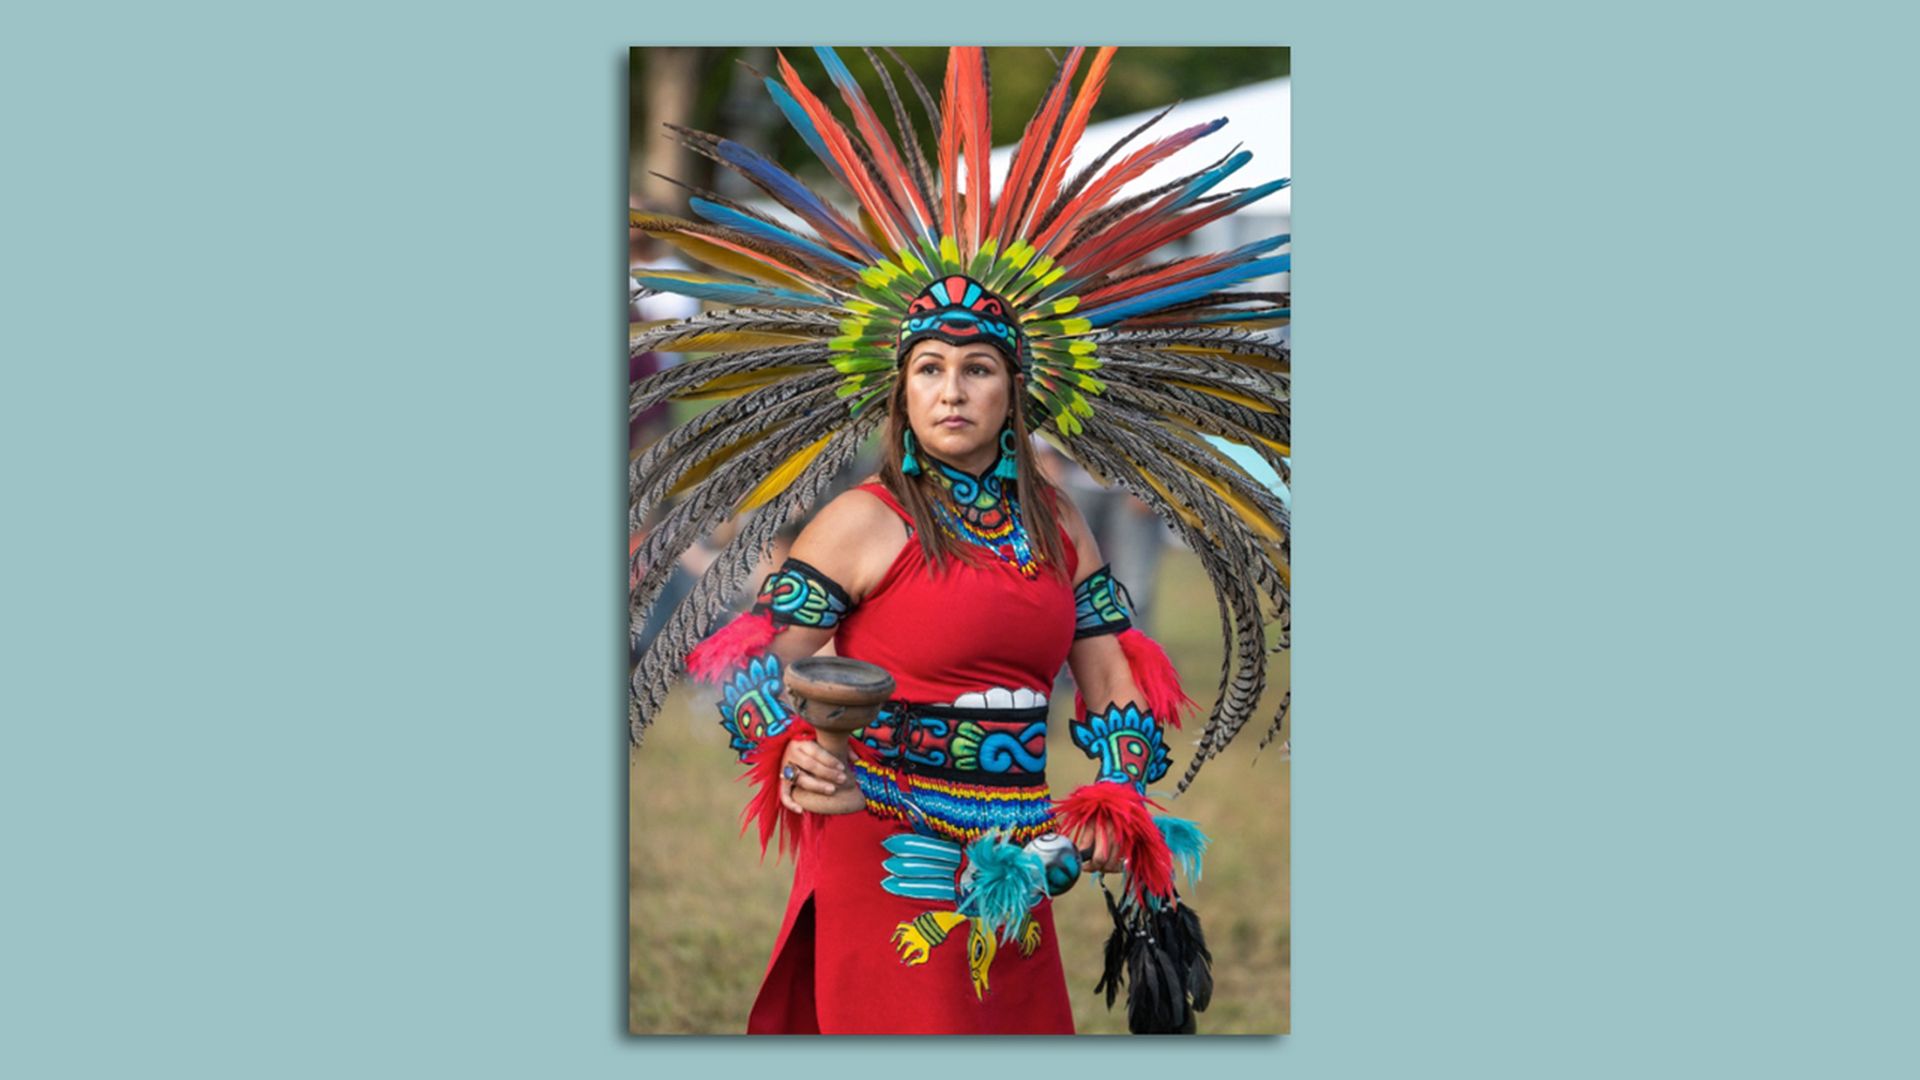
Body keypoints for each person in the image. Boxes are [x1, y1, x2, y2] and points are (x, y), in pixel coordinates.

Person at [628, 46, 1290, 1034]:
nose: (951, 389)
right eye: (929, 368)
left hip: (1020, 861)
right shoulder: (864, 520)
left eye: (977, 369)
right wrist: (799, 755)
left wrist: (1116, 792)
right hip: (886, 848)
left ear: (1014, 390)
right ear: (900, 390)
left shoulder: (1059, 526)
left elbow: (1113, 672)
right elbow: (753, 660)